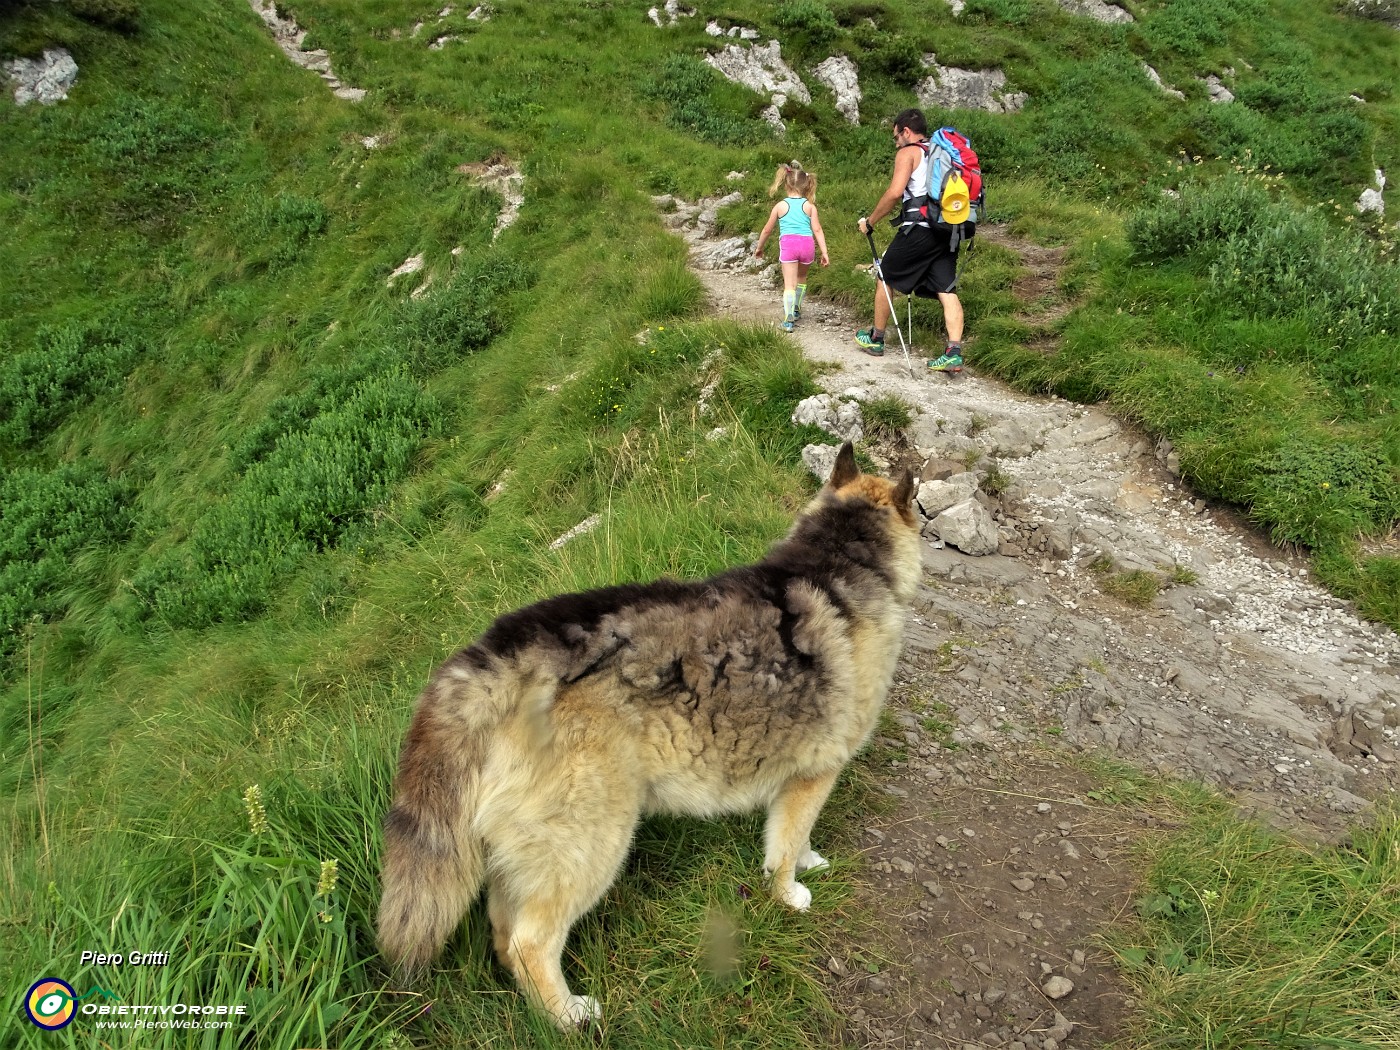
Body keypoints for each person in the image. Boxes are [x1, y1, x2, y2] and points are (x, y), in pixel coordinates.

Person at [854, 108, 966, 372]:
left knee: (884, 274)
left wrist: (870, 222)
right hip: (948, 229)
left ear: (906, 132)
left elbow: (894, 193)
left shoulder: (909, 152)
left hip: (920, 228)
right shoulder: (945, 153)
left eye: (896, 137)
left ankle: (876, 338)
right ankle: (953, 352)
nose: (895, 143)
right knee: (946, 288)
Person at [754, 163, 830, 332]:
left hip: (789, 245)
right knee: (801, 277)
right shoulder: (810, 207)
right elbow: (817, 229)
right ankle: (796, 308)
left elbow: (767, 229)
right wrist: (824, 252)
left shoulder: (780, 206)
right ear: (806, 185)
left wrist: (759, 247)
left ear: (786, 184)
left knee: (789, 284)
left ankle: (788, 320)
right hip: (807, 245)